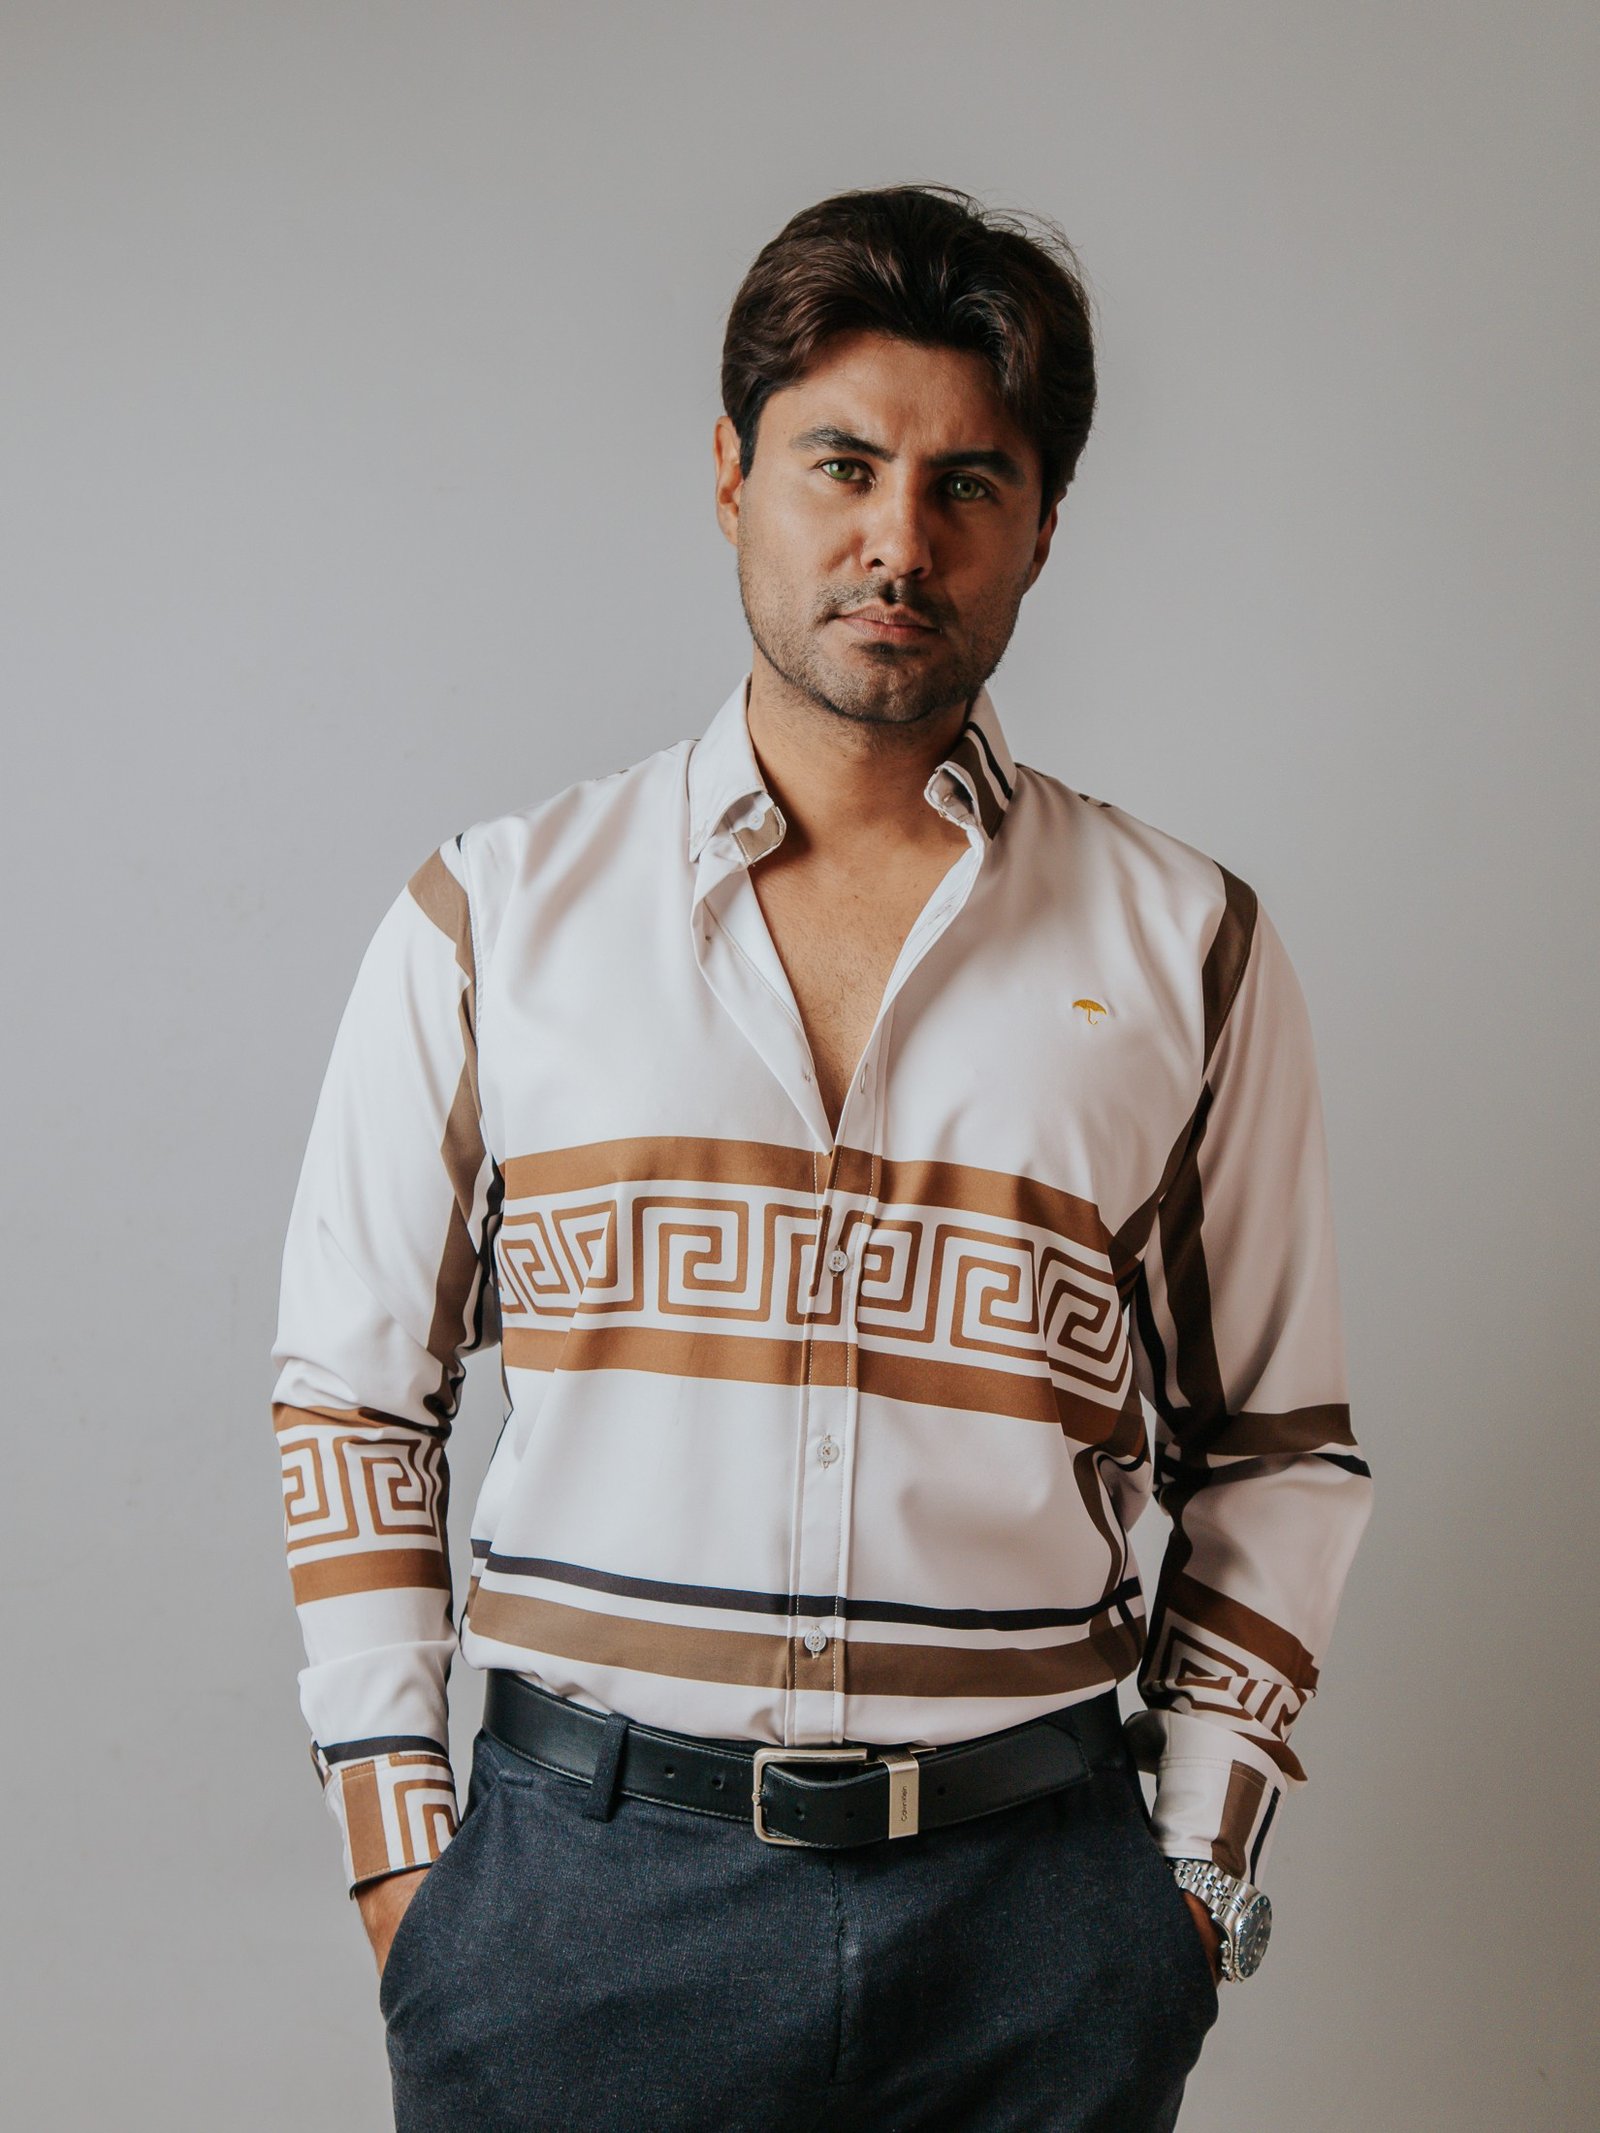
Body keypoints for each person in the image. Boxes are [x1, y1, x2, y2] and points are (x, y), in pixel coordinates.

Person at [270, 184, 1372, 2133]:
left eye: (969, 482)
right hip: (574, 1908)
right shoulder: (494, 921)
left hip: (1033, 1920)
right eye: (841, 464)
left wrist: (1191, 1885)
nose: (897, 539)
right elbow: (353, 1394)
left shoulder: (1185, 944)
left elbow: (1276, 1448)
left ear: (1043, 523)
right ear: (731, 474)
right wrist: (404, 1868)